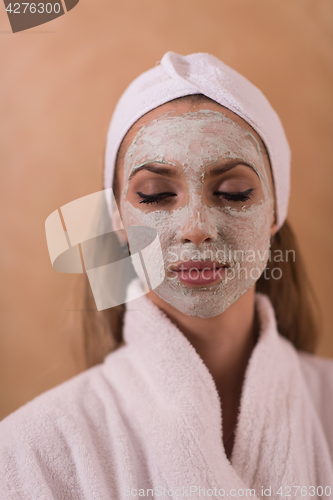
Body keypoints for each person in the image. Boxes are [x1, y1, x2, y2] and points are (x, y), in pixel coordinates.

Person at [0, 52, 332, 499]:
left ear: (276, 210)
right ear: (117, 219)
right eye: (156, 196)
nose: (196, 227)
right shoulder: (29, 452)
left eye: (234, 193)